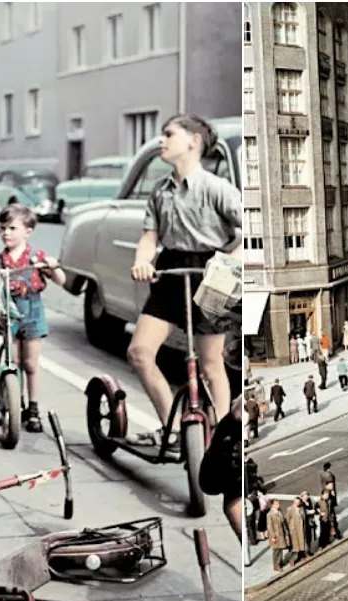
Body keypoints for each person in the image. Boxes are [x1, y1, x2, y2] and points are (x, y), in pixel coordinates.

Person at [128, 114, 238, 435]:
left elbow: (249, 232)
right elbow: (150, 236)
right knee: (139, 353)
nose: (162, 141)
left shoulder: (218, 189)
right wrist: (143, 261)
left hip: (211, 274)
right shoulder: (160, 191)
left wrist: (229, 264)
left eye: (169, 134)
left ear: (193, 141)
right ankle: (171, 425)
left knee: (211, 365)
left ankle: (220, 436)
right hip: (171, 270)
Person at [0, 204, 65, 432]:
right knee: (12, 361)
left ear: (28, 231)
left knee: (31, 363)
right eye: (3, 228)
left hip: (32, 310)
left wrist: (53, 267)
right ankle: (15, 405)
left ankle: (33, 408)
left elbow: (61, 280)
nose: (6, 233)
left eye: (12, 228)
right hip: (10, 312)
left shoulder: (36, 257)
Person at [266, 499, 290, 572]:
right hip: (276, 535)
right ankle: (276, 565)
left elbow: (283, 522)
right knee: (276, 551)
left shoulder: (279, 512)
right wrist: (273, 536)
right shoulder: (270, 514)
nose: (278, 505)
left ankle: (280, 562)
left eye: (278, 504)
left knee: (280, 549)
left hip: (281, 534)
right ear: (272, 505)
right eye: (276, 504)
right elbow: (270, 526)